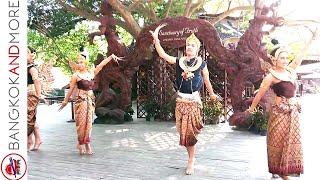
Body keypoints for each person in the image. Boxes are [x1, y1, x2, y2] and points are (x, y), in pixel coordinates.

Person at [246, 31, 318, 180]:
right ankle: (278, 171)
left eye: (286, 58)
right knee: (276, 141)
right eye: (282, 58)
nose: (285, 60)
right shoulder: (271, 76)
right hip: (279, 113)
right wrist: (251, 109)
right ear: (275, 60)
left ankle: (284, 169)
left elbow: (300, 57)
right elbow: (259, 94)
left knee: (290, 143)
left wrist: (311, 40)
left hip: (293, 114)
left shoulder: (291, 71)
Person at [150, 24, 219, 175]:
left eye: (193, 45)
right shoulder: (179, 62)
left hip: (193, 101)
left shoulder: (202, 63)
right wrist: (156, 40)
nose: (189, 47)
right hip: (181, 101)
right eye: (188, 45)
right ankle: (191, 157)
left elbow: (206, 80)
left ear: (197, 49)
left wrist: (212, 94)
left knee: (190, 133)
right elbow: (162, 55)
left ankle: (191, 160)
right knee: (182, 131)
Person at [59, 48, 122, 155]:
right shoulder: (76, 75)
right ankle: (81, 143)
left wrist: (111, 57)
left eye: (82, 62)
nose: (80, 64)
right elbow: (71, 89)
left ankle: (87, 143)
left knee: (89, 124)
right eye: (78, 62)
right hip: (81, 101)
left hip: (90, 101)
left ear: (86, 63)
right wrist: (65, 101)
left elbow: (101, 65)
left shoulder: (91, 73)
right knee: (81, 124)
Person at [27, 46, 42, 151]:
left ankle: (32, 141)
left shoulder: (32, 68)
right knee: (29, 119)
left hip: (30, 94)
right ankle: (35, 139)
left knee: (28, 119)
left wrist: (39, 95)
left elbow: (37, 81)